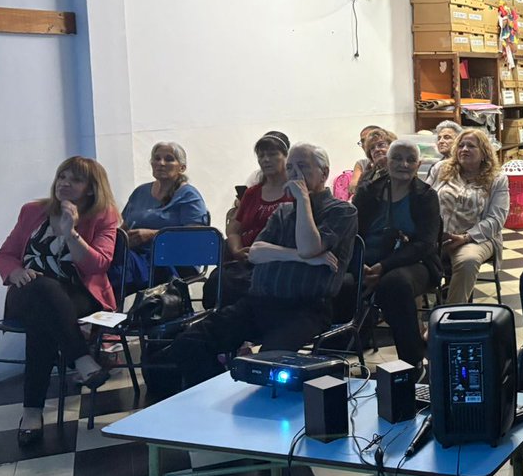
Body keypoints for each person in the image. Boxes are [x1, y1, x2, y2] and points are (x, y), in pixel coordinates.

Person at [165, 143, 357, 390]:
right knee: (189, 342)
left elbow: (309, 246)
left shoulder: (342, 211)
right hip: (258, 302)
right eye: (290, 168)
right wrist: (301, 258)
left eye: (303, 167)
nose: (295, 174)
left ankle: (257, 406)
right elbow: (256, 252)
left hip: (304, 309)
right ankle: (216, 395)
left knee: (267, 366)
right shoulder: (283, 211)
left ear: (324, 173)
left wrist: (303, 201)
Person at [0, 158, 120, 445]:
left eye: (74, 179)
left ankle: (31, 413)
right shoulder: (32, 211)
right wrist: (15, 272)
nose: (64, 183)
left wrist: (71, 232)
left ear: (91, 189)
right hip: (25, 290)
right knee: (41, 289)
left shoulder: (104, 216)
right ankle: (82, 359)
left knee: (43, 317)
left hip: (76, 295)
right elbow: (4, 255)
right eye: (61, 177)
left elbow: (98, 264)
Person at [352, 139, 441, 369]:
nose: (404, 164)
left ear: (418, 165)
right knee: (341, 282)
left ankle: (412, 362)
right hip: (368, 261)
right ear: (386, 161)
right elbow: (352, 233)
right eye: (397, 158)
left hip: (416, 262)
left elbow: (425, 244)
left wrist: (383, 267)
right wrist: (359, 265)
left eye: (410, 160)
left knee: (394, 284)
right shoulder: (368, 191)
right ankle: (339, 352)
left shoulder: (426, 196)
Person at [206, 131, 292, 310]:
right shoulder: (252, 193)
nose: (266, 160)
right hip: (247, 260)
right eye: (261, 156)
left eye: (272, 154)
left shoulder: (296, 191)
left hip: (279, 261)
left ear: (286, 157)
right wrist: (237, 250)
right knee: (217, 281)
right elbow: (233, 229)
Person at [431, 129, 508, 304]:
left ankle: (452, 312)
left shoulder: (497, 178)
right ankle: (417, 315)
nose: (464, 149)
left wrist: (466, 237)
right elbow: (424, 200)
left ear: (484, 152)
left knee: (468, 260)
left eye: (471, 146)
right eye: (461, 145)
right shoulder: (441, 169)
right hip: (438, 236)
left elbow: (496, 220)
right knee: (412, 256)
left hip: (477, 238)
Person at [119, 141, 209, 289]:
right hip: (136, 256)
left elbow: (195, 236)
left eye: (169, 159)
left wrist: (153, 235)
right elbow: (124, 228)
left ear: (182, 168)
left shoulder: (188, 195)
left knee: (116, 269)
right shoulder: (140, 192)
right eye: (157, 158)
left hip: (172, 260)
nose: (161, 163)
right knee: (102, 261)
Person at [351, 128, 395, 193]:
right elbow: (358, 195)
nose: (376, 149)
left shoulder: (401, 170)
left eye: (381, 145)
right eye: (372, 148)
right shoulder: (367, 174)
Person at [425, 120, 462, 186]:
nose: (441, 141)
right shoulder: (436, 167)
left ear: (459, 140)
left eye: (447, 137)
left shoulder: (464, 165)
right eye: (439, 138)